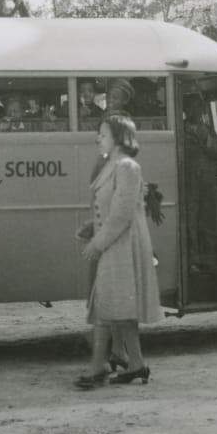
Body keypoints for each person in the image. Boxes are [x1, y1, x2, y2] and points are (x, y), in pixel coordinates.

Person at [75, 114, 160, 389]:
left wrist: (96, 243)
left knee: (106, 306)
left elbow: (122, 215)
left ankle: (98, 368)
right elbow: (113, 210)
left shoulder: (126, 167)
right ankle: (136, 365)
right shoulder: (111, 165)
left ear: (119, 137)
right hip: (115, 242)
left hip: (121, 245)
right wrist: (91, 227)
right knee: (119, 308)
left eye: (103, 133)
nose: (98, 138)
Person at [182, 95, 217, 274]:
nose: (196, 111)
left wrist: (206, 139)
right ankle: (193, 261)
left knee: (210, 220)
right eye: (192, 107)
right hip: (189, 181)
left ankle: (210, 260)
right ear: (186, 110)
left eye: (199, 107)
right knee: (191, 221)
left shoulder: (207, 129)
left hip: (207, 181)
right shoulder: (181, 130)